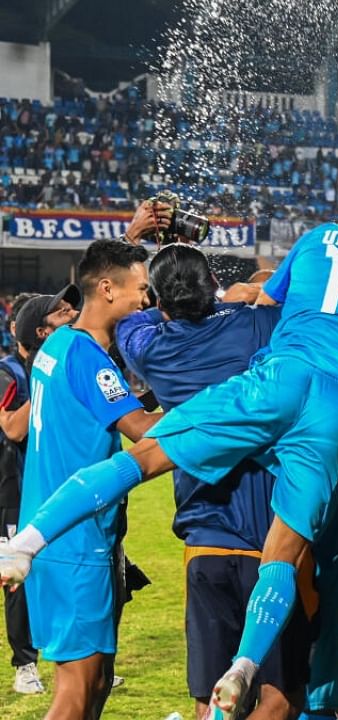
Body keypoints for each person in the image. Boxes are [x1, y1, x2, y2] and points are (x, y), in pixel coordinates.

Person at [0, 150, 338, 715]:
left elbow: (256, 293)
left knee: (147, 457)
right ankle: (246, 665)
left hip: (270, 397)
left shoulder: (308, 245)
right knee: (286, 548)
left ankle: (25, 545)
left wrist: (150, 247)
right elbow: (270, 301)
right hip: (336, 410)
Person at [113, 244, 308, 720]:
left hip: (206, 540)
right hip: (271, 542)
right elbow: (290, 309)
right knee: (278, 696)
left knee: (210, 698)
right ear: (212, 285)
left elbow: (131, 323)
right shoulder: (259, 326)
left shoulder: (151, 348)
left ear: (159, 300)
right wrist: (241, 299)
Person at [17, 239, 158, 719]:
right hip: (76, 544)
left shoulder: (57, 344)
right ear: (107, 289)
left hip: (57, 534)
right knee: (77, 689)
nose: (145, 299)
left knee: (95, 680)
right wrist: (218, 407)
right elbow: (141, 430)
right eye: (140, 289)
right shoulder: (86, 356)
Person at [0, 293, 50, 696]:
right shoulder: (8, 372)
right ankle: (25, 665)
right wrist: (51, 388)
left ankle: (77, 659)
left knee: (63, 570)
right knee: (17, 574)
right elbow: (14, 430)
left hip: (52, 484)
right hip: (14, 490)